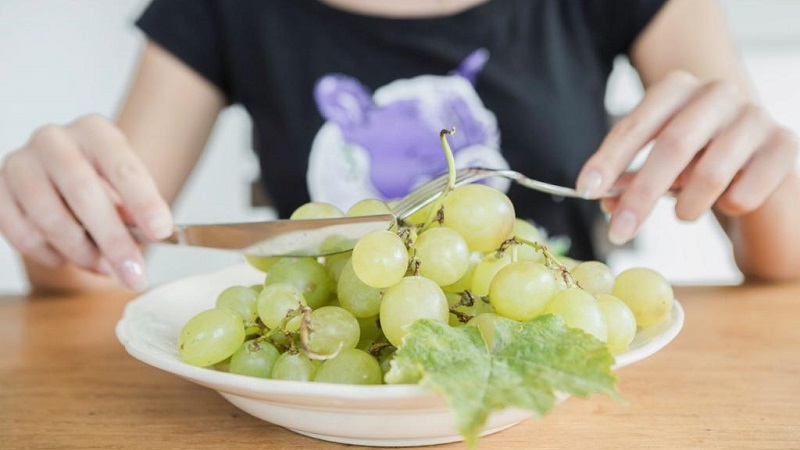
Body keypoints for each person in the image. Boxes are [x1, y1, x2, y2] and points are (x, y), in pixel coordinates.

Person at [0, 0, 798, 293]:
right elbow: (95, 262)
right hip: (328, 406)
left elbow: (780, 257)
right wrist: (56, 215)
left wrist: (764, 169)